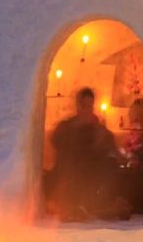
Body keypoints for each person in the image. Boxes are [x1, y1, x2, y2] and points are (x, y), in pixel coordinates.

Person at [46, 87, 128, 221]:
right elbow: (58, 144)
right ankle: (76, 206)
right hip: (72, 173)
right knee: (71, 165)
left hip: (92, 173)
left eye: (90, 105)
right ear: (78, 105)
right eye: (84, 105)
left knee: (110, 165)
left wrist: (115, 153)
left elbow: (110, 148)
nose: (87, 109)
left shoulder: (98, 128)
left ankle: (98, 205)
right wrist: (76, 130)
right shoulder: (67, 126)